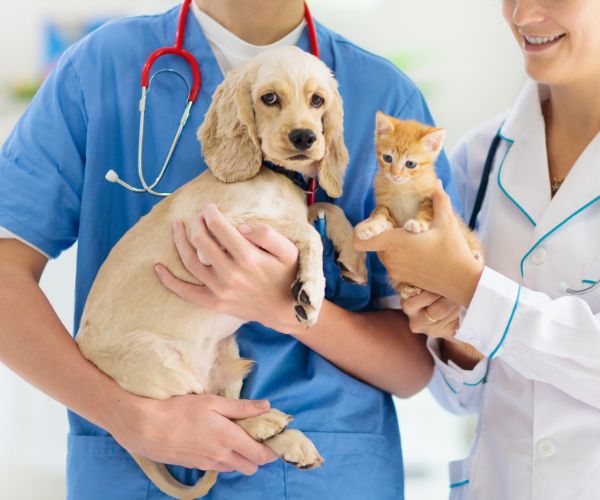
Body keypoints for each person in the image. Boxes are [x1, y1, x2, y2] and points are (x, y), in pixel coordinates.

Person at [0, 1, 460, 498]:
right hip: (134, 470)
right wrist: (125, 414)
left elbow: (416, 365)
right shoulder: (99, 70)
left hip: (326, 475)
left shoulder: (383, 96)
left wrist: (283, 306)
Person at [355, 0, 600, 498]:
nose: (523, 15)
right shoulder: (479, 157)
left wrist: (468, 285)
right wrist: (453, 332)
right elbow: (461, 399)